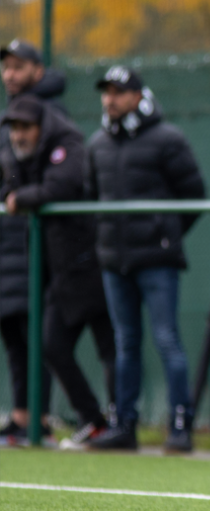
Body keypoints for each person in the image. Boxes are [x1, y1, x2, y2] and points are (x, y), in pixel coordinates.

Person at [85, 66, 206, 453]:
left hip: (156, 259)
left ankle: (180, 426)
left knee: (167, 339)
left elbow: (194, 195)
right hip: (114, 261)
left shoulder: (168, 139)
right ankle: (125, 426)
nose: (110, 99)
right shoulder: (97, 143)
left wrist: (164, 235)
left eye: (119, 91)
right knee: (126, 343)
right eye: (106, 92)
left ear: (138, 95)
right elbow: (91, 196)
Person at [0, 95, 117, 450]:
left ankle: (119, 422)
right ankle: (95, 420)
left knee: (112, 347)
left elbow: (59, 187)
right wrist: (15, 193)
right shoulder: (20, 154)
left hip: (92, 260)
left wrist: (22, 198)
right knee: (50, 343)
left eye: (25, 127)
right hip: (61, 268)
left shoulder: (66, 144)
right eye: (14, 128)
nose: (18, 135)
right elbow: (9, 186)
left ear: (41, 127)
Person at [0, 38, 67, 445]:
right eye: (6, 68)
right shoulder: (8, 115)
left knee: (36, 332)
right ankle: (21, 414)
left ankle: (37, 417)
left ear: (37, 71)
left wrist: (20, 197)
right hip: (8, 240)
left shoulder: (52, 115)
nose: (10, 75)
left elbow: (48, 179)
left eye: (18, 67)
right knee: (12, 332)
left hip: (37, 240)